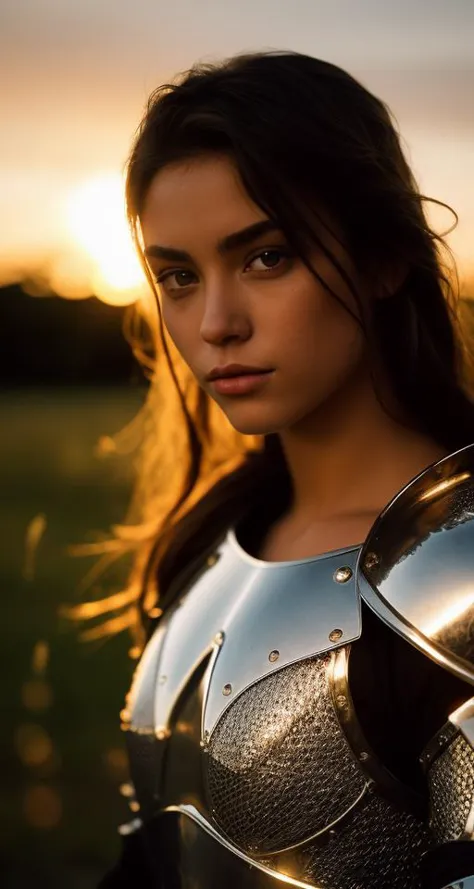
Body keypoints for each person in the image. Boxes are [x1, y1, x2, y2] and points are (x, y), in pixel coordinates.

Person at [98, 50, 474, 889]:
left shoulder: (461, 577)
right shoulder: (207, 546)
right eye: (179, 276)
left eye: (266, 256)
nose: (215, 323)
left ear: (383, 258)